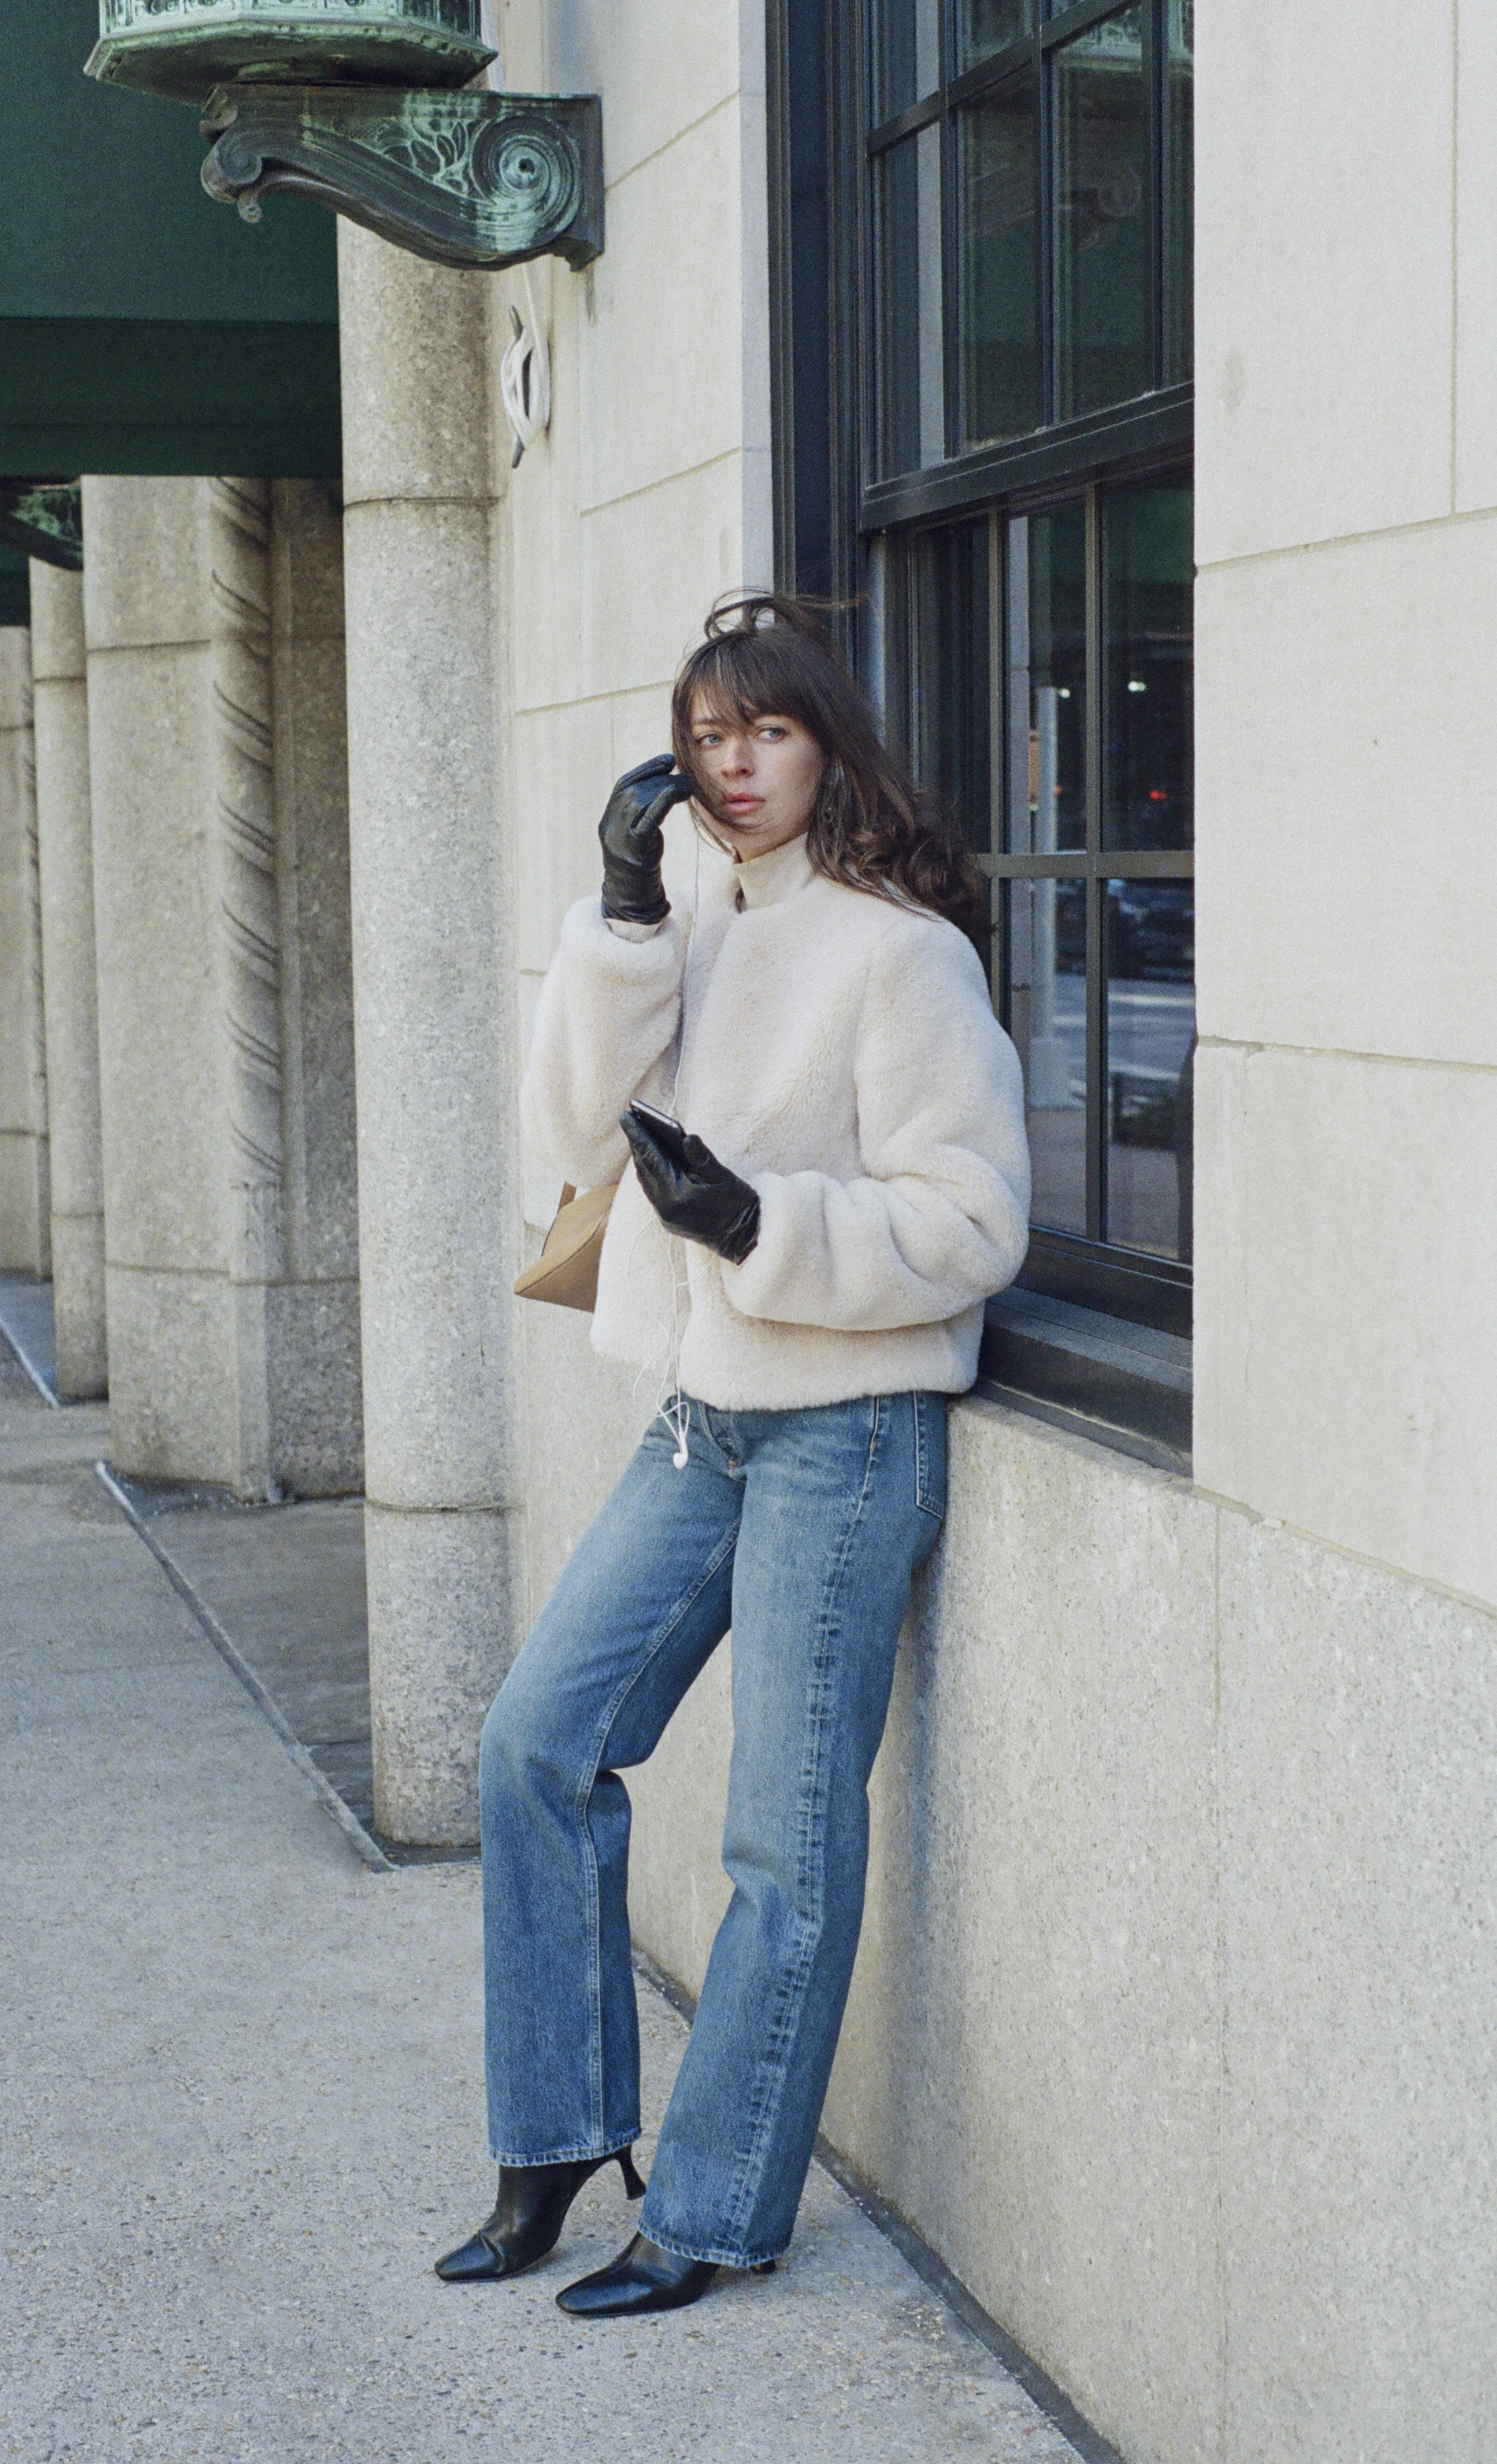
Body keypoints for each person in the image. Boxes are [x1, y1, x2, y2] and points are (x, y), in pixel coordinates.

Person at [434, 594, 1031, 2319]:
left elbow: (975, 1218)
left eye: (763, 732)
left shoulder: (901, 950)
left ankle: (711, 2204)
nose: (733, 767)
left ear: (825, 740)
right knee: (534, 1740)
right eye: (705, 738)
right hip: (703, 1422)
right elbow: (567, 1136)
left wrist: (766, 1216)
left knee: (783, 1838)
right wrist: (621, 915)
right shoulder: (682, 911)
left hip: (849, 1431)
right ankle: (554, 2131)